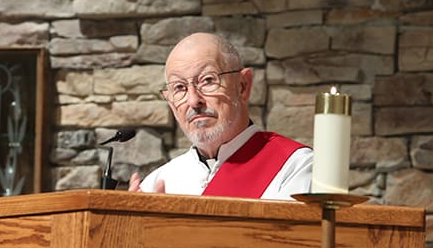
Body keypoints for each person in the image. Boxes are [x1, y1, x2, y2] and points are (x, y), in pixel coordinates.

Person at [128, 32, 312, 200]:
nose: (193, 101)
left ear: (243, 86)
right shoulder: (156, 185)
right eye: (179, 88)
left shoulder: (296, 167)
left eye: (208, 80)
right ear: (170, 103)